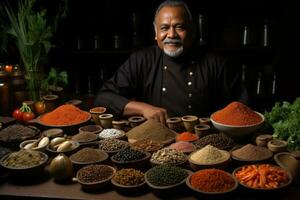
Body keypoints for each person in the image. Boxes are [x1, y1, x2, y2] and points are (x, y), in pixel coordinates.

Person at [94, 0, 249, 124]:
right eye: (164, 28)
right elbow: (103, 98)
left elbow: (242, 109)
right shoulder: (142, 60)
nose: (172, 34)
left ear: (193, 31)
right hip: (155, 142)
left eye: (179, 27)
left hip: (203, 142)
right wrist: (143, 108)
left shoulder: (216, 63)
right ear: (156, 33)